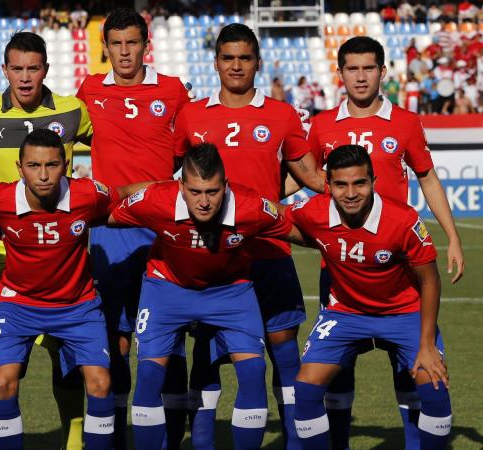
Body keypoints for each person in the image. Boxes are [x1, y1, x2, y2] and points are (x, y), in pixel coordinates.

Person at [306, 36, 464, 450]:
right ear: (339, 73)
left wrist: (452, 237)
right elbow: (304, 177)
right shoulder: (321, 125)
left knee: (411, 368)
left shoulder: (407, 123)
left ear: (383, 72)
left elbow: (427, 177)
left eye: (369, 68)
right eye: (353, 68)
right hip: (341, 268)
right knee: (337, 371)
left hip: (400, 268)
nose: (361, 76)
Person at [173, 23, 324, 450]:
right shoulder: (192, 115)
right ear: (216, 62)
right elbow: (168, 178)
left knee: (284, 352)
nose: (236, 66)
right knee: (206, 357)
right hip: (211, 257)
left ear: (257, 62)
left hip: (269, 252)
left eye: (244, 58)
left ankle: (297, 441)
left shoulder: (282, 114)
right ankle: (203, 442)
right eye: (227, 58)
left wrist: (363, 198)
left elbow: (308, 174)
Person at [109, 143, 307, 450]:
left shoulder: (250, 206)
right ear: (180, 186)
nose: (203, 202)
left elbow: (300, 231)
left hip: (231, 291)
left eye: (212, 192)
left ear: (225, 186)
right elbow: (103, 213)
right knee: (149, 374)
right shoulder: (156, 199)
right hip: (167, 289)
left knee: (254, 371)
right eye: (195, 192)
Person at [0, 31, 93, 448]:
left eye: (32, 68)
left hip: (63, 256)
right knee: (2, 366)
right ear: (4, 70)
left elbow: (115, 147)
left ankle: (73, 439)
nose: (24, 77)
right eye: (16, 68)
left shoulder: (75, 111)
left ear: (46, 70)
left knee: (67, 358)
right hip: (1, 258)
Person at [75, 8, 192, 448]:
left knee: (168, 336)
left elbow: (186, 153)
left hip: (164, 231)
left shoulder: (174, 90)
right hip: (110, 232)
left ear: (147, 45)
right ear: (105, 47)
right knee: (115, 337)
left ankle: (174, 435)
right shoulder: (88, 91)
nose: (125, 52)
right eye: (116, 44)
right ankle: (119, 431)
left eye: (132, 43)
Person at [289, 145, 451, 449]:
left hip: (404, 313)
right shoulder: (313, 210)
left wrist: (427, 345)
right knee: (306, 388)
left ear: (373, 182)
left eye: (359, 183)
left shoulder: (403, 220)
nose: (351, 193)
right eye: (341, 185)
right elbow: (279, 220)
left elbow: (430, 280)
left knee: (435, 387)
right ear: (329, 186)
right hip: (345, 313)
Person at [0, 129, 127, 450]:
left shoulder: (87, 194)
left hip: (78, 306)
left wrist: (175, 193)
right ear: (19, 168)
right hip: (17, 306)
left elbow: (123, 194)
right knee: (2, 383)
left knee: (100, 384)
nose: (43, 175)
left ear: (67, 164)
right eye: (33, 166)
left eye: (52, 165)